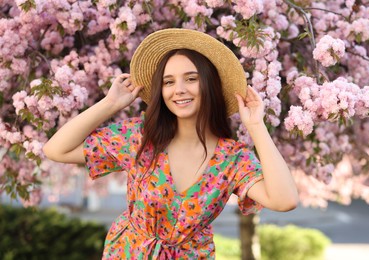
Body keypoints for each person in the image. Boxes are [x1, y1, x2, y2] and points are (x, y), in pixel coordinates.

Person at [43, 28, 299, 259]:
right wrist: (109, 105)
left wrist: (256, 126)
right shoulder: (140, 137)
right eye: (168, 82)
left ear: (209, 84)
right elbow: (56, 150)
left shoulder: (232, 159)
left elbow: (284, 200)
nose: (178, 90)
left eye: (191, 78)